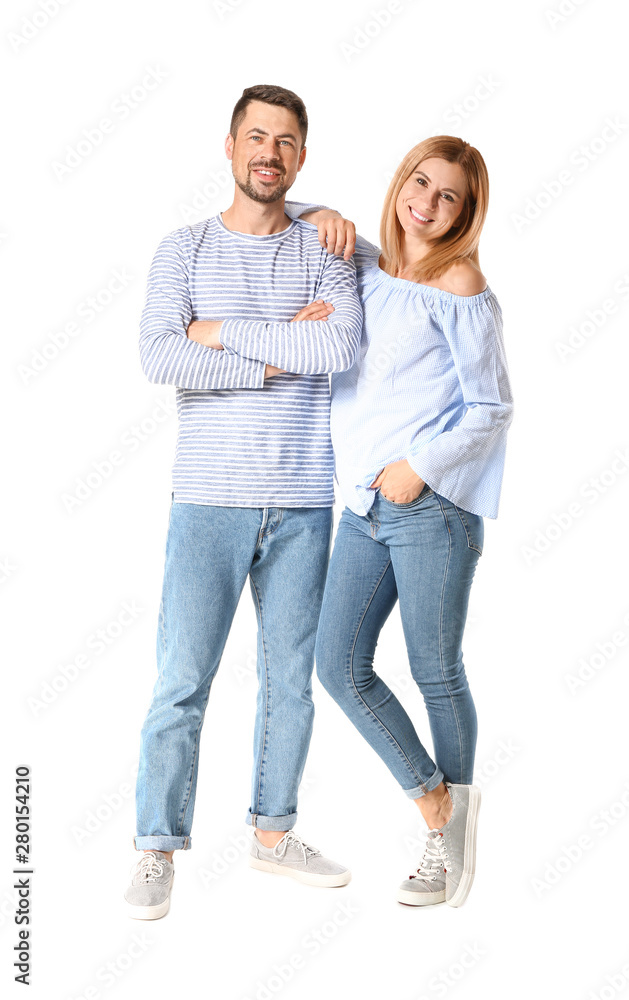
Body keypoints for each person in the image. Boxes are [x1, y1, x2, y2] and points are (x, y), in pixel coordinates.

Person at [124, 84, 362, 920]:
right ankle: (156, 845)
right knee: (182, 679)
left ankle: (271, 834)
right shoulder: (182, 249)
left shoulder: (327, 244)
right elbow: (158, 356)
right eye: (255, 137)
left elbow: (336, 343)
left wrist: (220, 333)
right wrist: (272, 359)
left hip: (303, 499)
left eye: (286, 141)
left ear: (301, 157)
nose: (269, 152)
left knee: (288, 679)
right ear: (229, 148)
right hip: (208, 498)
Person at [283, 135, 514, 907]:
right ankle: (432, 796)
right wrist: (329, 215)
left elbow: (490, 407)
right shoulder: (365, 269)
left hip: (430, 510)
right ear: (401, 182)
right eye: (421, 183)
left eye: (449, 195)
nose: (428, 202)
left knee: (434, 670)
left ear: (465, 211)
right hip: (360, 505)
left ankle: (446, 842)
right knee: (338, 666)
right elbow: (290, 210)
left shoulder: (460, 284)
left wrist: (420, 466)